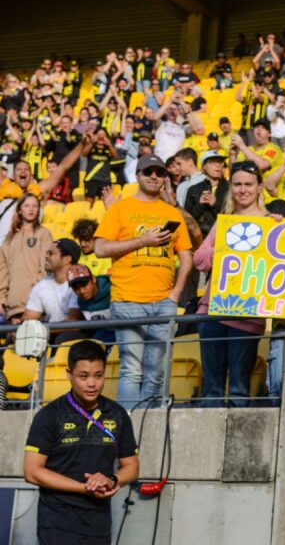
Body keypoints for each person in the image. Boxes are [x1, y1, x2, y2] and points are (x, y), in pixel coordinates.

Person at [94, 154, 193, 406]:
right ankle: (129, 425)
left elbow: (186, 256)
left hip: (164, 301)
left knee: (156, 373)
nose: (153, 176)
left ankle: (149, 423)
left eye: (159, 172)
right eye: (148, 171)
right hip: (127, 299)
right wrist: (143, 241)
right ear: (137, 175)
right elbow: (100, 249)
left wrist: (175, 294)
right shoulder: (119, 209)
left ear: (165, 178)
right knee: (131, 369)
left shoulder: (172, 213)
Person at [24, 340, 139, 545]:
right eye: (83, 376)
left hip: (99, 524)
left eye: (98, 375)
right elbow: (32, 471)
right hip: (57, 523)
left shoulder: (118, 414)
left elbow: (131, 466)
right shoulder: (49, 415)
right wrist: (84, 488)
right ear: (69, 375)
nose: (92, 384)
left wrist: (112, 480)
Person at [194, 161, 274, 407]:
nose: (242, 190)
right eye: (237, 184)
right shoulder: (224, 222)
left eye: (248, 184)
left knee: (240, 387)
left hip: (247, 314)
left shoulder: (271, 222)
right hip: (212, 311)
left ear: (259, 187)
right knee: (212, 388)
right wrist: (226, 252)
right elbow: (199, 259)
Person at [0, 194, 52, 323]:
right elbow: (3, 272)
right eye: (27, 205)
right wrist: (1, 298)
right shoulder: (9, 239)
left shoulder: (44, 234)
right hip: (13, 306)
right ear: (19, 210)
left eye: (35, 206)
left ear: (39, 210)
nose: (31, 209)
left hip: (36, 304)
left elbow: (45, 267)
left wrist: (36, 293)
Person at [23, 238, 83, 324]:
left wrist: (43, 329)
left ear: (66, 259)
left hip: (70, 332)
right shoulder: (42, 285)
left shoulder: (80, 283)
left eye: (51, 253)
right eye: (47, 253)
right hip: (48, 330)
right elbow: (28, 319)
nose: (46, 256)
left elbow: (74, 323)